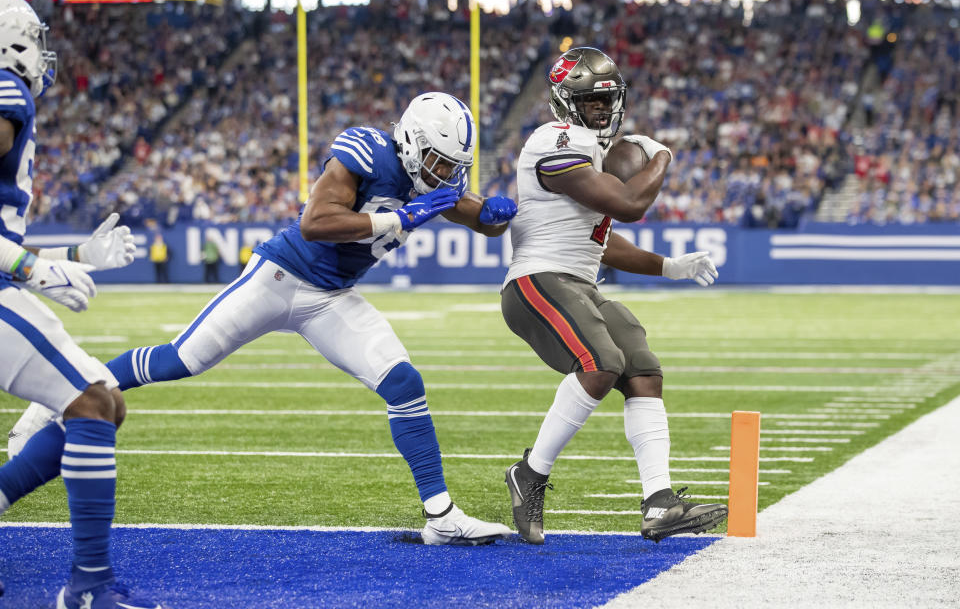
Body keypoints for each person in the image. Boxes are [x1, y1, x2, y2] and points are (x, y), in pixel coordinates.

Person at [14, 92, 518, 546]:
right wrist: (400, 217)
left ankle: (441, 516)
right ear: (409, 140)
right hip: (279, 276)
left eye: (451, 164)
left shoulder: (430, 176)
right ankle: (72, 389)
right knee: (180, 359)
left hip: (332, 297)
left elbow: (471, 212)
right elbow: (316, 223)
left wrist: (493, 216)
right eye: (435, 159)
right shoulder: (368, 151)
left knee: (404, 382)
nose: (441, 172)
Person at [501, 47, 728, 545]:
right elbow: (627, 206)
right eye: (591, 101)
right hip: (535, 282)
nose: (602, 110)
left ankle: (659, 503)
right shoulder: (553, 141)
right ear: (566, 102)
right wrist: (663, 157)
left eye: (608, 100)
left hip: (577, 283)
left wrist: (668, 267)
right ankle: (530, 475)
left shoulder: (592, 150)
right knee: (600, 361)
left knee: (642, 368)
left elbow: (601, 241)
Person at [0, 0, 161, 609]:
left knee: (104, 402)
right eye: (32, 39)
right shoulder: (8, 92)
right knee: (93, 404)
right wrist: (29, 265)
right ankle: (89, 586)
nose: (42, 53)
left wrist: (70, 260)